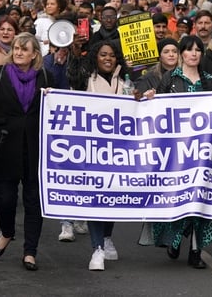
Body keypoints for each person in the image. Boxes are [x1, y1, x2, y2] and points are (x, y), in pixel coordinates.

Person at [153, 35, 212, 269]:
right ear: (182, 53)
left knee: (199, 200)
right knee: (179, 198)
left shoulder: (210, 80)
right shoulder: (169, 79)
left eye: (198, 50)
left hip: (203, 150)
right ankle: (175, 238)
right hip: (177, 150)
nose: (194, 53)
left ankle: (196, 250)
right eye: (189, 49)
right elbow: (158, 112)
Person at [0, 33, 53, 271]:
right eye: (16, 48)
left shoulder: (45, 76)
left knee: (34, 201)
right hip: (5, 145)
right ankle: (7, 232)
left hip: (36, 147)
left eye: (24, 49)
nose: (19, 52)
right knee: (5, 198)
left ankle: (30, 252)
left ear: (35, 54)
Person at [66, 40, 130, 271]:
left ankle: (106, 237)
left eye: (112, 55)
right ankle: (97, 250)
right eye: (103, 54)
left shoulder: (125, 80)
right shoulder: (86, 79)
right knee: (95, 198)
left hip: (119, 150)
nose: (107, 59)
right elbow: (72, 78)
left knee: (111, 199)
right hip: (91, 150)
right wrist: (74, 55)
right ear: (95, 57)